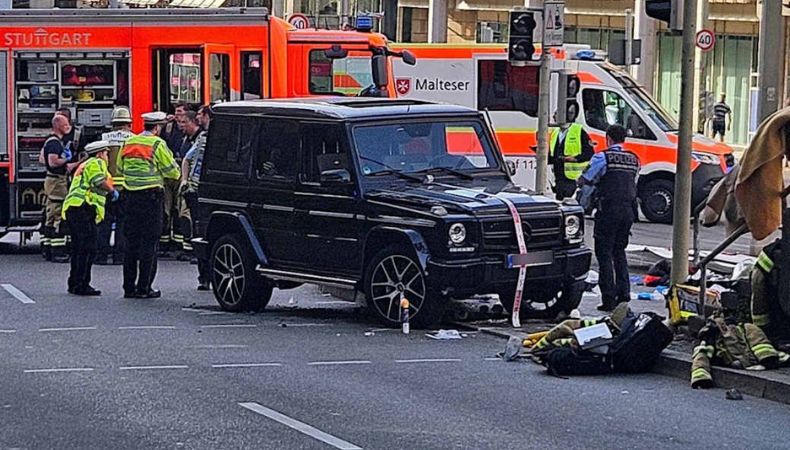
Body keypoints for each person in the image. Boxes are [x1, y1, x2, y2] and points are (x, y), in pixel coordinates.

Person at [117, 112, 181, 299]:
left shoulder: (128, 143)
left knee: (131, 244)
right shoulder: (157, 144)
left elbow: (120, 168)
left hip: (130, 198)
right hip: (151, 199)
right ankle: (144, 287)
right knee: (149, 244)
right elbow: (172, 172)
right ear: (157, 128)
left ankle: (128, 288)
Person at [577, 124, 640, 312]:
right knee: (619, 252)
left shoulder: (602, 157)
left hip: (609, 209)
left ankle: (608, 299)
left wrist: (579, 184)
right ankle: (624, 293)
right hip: (628, 211)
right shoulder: (633, 159)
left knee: (604, 254)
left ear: (608, 139)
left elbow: (587, 178)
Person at [62, 141, 120, 296]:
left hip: (74, 208)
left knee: (78, 248)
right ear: (100, 153)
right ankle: (82, 284)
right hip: (83, 207)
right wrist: (112, 191)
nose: (107, 157)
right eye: (106, 153)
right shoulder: (96, 162)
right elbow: (98, 181)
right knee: (88, 248)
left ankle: (74, 282)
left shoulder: (85, 164)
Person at [96, 106, 136, 266]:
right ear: (128, 123)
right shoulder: (133, 139)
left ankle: (101, 256)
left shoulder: (104, 138)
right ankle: (120, 256)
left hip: (107, 186)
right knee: (123, 224)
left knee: (104, 222)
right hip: (126, 187)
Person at [42, 115, 81, 263]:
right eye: (65, 124)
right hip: (57, 182)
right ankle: (58, 251)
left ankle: (47, 249)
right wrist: (67, 160)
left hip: (53, 181)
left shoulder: (53, 141)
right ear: (57, 125)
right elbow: (52, 163)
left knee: (51, 216)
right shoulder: (54, 143)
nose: (68, 126)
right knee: (59, 215)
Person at [180, 116, 211, 290]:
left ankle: (208, 275)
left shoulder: (217, 139)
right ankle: (204, 277)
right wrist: (185, 181)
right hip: (196, 191)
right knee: (200, 232)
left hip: (210, 190)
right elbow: (187, 159)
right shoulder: (203, 139)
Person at [548, 115, 594, 200]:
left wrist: (575, 158)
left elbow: (589, 153)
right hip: (559, 177)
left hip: (572, 178)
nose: (554, 117)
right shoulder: (555, 132)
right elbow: (553, 155)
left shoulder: (578, 131)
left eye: (556, 114)